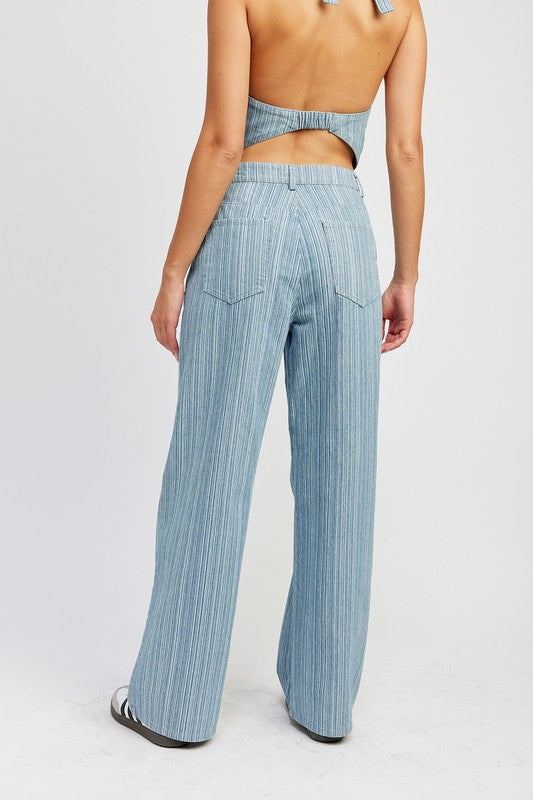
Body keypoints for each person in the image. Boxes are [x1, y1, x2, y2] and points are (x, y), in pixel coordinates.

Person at [111, 0, 426, 747]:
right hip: (344, 232)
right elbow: (405, 149)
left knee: (211, 464)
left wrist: (173, 272)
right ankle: (324, 701)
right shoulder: (402, 13)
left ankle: (174, 706)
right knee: (341, 472)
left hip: (249, 219)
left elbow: (224, 142)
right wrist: (406, 275)